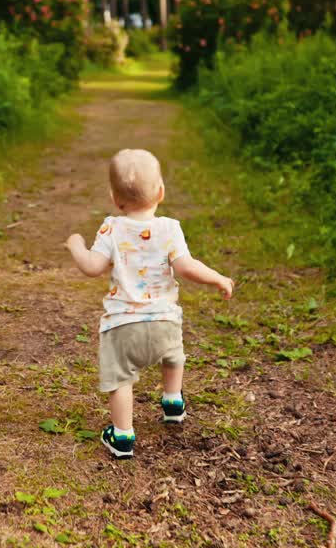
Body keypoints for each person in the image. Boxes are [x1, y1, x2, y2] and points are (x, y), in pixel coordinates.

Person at [64, 148, 234, 459]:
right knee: (172, 357)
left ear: (115, 199)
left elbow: (92, 267)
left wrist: (76, 245)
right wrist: (218, 278)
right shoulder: (170, 228)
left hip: (122, 326)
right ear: (161, 192)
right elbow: (186, 267)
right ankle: (172, 401)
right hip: (164, 321)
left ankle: (123, 436)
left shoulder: (112, 228)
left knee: (121, 380)